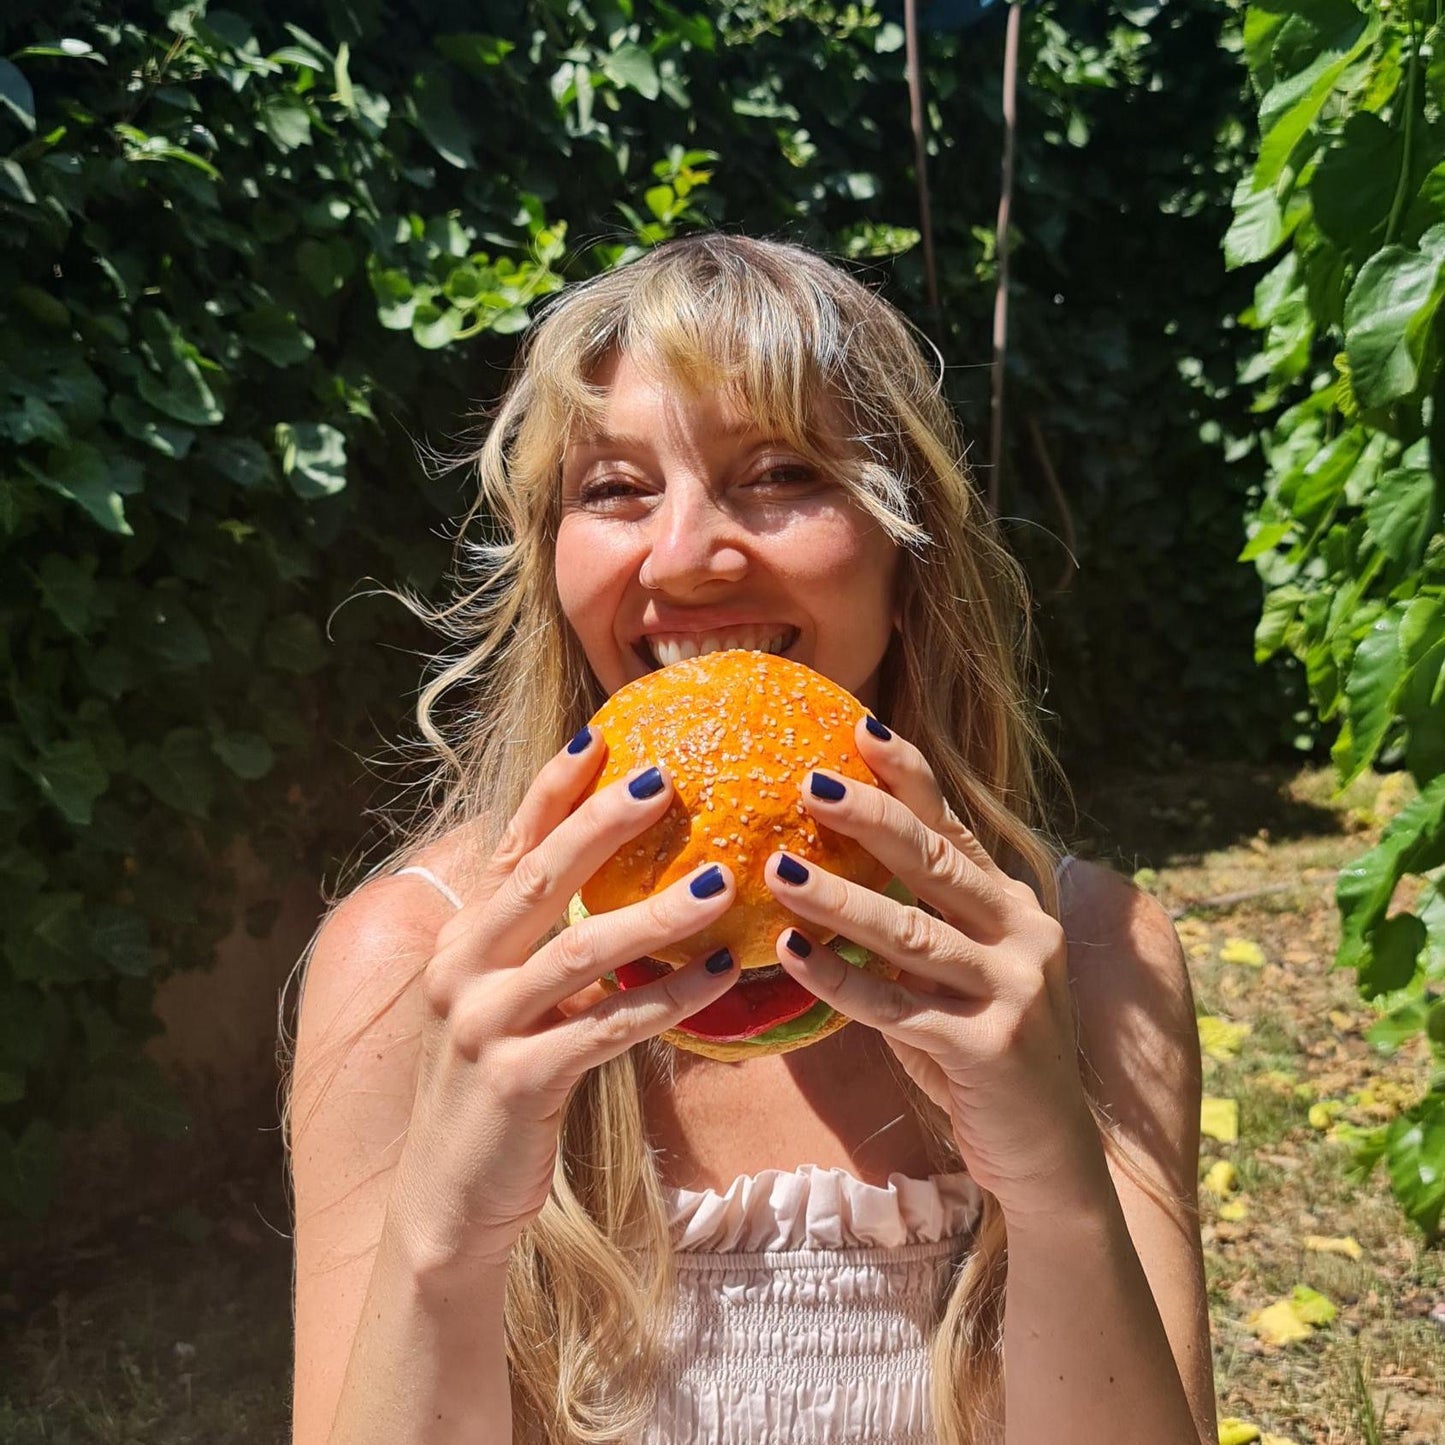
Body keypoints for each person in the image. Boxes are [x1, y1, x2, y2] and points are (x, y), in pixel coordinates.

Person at [284, 232, 1217, 1444]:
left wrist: (1051, 1193)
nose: (683, 557)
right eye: (613, 489)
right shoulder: (414, 969)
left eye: (779, 473)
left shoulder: (1078, 958)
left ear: (905, 552)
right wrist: (445, 1238)